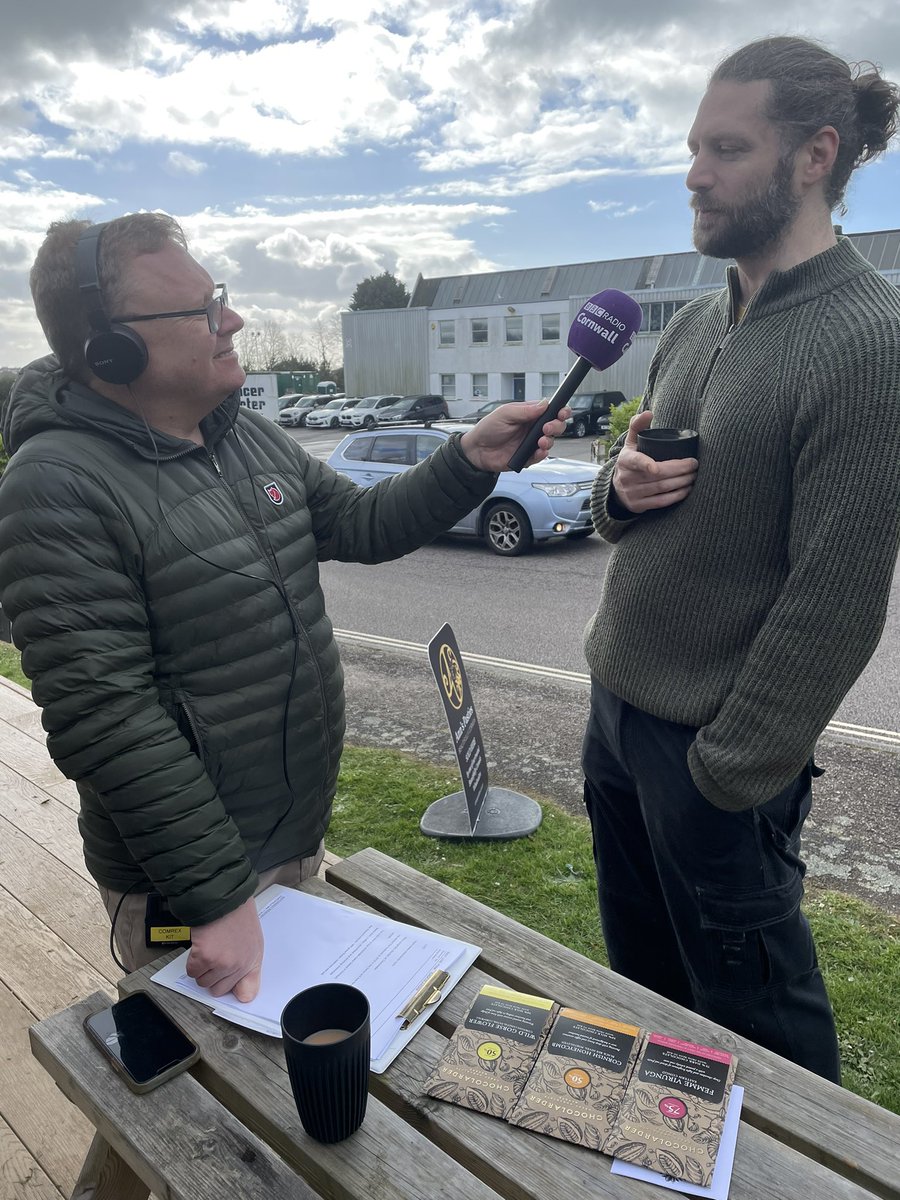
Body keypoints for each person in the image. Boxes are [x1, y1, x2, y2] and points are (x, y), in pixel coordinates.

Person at [0, 213, 568, 1001]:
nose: (232, 321)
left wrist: (468, 457)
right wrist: (217, 895)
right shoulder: (55, 483)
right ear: (111, 348)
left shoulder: (246, 437)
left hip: (288, 832)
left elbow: (360, 524)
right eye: (200, 311)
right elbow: (105, 717)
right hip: (189, 879)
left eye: (219, 297)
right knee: (216, 1103)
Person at [582, 35, 900, 1082]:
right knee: (648, 1010)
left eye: (725, 148)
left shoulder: (870, 340)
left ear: (815, 156)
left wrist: (728, 775)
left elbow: (836, 599)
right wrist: (617, 492)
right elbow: (622, 495)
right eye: (692, 147)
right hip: (616, 726)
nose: (693, 174)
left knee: (763, 1038)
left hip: (713, 762)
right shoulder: (692, 322)